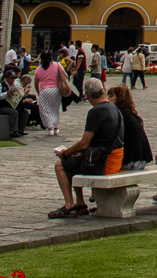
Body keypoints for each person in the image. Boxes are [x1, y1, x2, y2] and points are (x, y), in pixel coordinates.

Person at [50, 78, 124, 218]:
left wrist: (66, 153)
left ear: (88, 95)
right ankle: (80, 203)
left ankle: (69, 205)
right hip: (114, 158)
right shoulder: (114, 108)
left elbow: (84, 143)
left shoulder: (96, 112)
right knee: (75, 160)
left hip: (103, 162)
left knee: (61, 165)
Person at [109, 84, 152, 171]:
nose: (108, 98)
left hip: (130, 161)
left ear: (119, 98)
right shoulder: (131, 113)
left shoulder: (119, 114)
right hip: (141, 159)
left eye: (111, 96)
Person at [34, 51, 70, 138]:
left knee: (45, 109)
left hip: (44, 90)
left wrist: (39, 93)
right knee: (55, 109)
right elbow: (65, 75)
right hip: (56, 90)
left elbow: (36, 84)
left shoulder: (38, 69)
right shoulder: (57, 65)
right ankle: (56, 127)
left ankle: (50, 127)